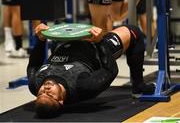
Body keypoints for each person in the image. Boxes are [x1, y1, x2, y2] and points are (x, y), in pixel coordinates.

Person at [27, 23, 155, 118]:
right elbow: (110, 70)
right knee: (134, 32)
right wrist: (99, 42)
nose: (45, 89)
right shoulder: (83, 86)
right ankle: (138, 85)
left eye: (40, 94)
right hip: (94, 47)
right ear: (60, 101)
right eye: (49, 95)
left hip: (64, 41)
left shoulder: (35, 84)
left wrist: (40, 40)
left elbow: (33, 64)